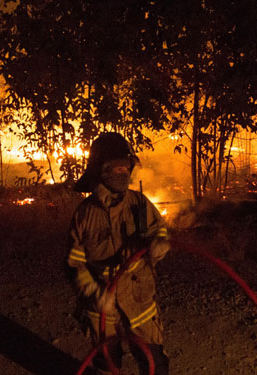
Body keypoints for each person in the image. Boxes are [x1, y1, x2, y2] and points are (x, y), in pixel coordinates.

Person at [67, 132, 170, 375]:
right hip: (103, 307)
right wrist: (96, 292)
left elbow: (161, 232)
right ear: (101, 171)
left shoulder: (140, 204)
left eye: (127, 168)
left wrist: (160, 245)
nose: (124, 173)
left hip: (138, 300)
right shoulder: (84, 215)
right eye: (118, 168)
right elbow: (74, 264)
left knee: (154, 364)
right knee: (108, 365)